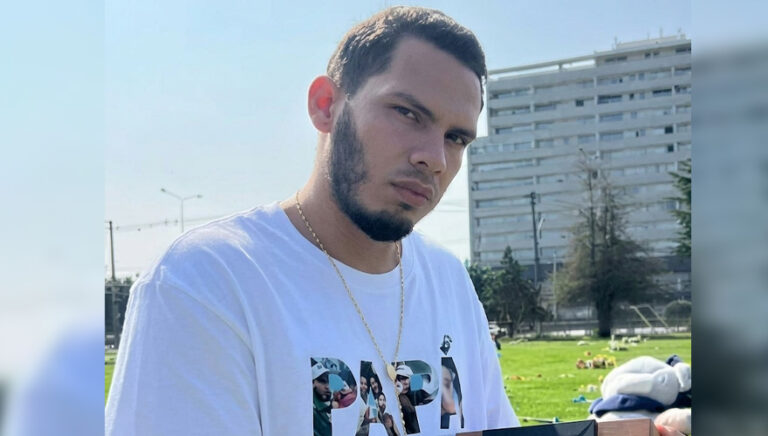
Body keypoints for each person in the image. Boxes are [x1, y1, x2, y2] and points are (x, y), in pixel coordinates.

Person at [106, 5, 518, 435]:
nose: (434, 158)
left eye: (456, 138)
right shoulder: (206, 281)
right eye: (407, 113)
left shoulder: (449, 280)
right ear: (326, 106)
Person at [312, 362, 333, 436]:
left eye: (329, 381)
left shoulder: (333, 404)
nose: (327, 386)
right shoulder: (312, 412)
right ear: (313, 384)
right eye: (322, 381)